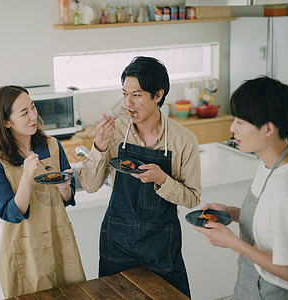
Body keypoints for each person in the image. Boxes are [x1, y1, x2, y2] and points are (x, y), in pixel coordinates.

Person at [79, 56, 201, 298]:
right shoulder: (115, 132)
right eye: (125, 93)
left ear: (158, 95)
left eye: (136, 95)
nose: (128, 103)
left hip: (161, 243)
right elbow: (90, 186)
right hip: (118, 240)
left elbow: (192, 198)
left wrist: (163, 180)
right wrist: (99, 145)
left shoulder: (183, 140)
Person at [195, 76, 288, 299]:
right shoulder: (268, 163)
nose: (232, 128)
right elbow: (271, 222)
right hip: (250, 283)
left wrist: (233, 243)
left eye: (241, 122)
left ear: (268, 128)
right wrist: (230, 213)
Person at [0, 85, 85, 298]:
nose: (33, 116)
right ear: (6, 122)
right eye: (24, 112)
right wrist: (27, 176)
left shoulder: (53, 145)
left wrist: (65, 188)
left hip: (59, 240)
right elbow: (11, 213)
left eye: (33, 107)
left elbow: (67, 198)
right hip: (25, 250)